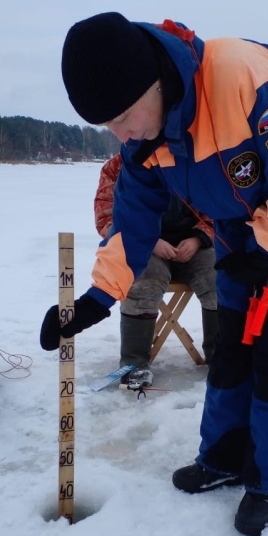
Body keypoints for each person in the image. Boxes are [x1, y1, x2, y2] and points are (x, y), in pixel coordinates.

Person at [40, 12, 268, 536]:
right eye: (108, 126)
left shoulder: (248, 79)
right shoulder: (144, 142)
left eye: (124, 117)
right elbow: (131, 222)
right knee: (231, 348)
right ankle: (223, 457)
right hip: (232, 227)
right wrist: (94, 299)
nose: (122, 134)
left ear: (154, 83)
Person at [94, 152, 218, 388]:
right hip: (144, 248)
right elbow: (106, 218)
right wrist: (147, 241)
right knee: (143, 280)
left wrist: (199, 238)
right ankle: (134, 364)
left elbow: (214, 209)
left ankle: (222, 358)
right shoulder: (116, 167)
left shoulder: (193, 162)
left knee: (219, 276)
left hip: (192, 248)